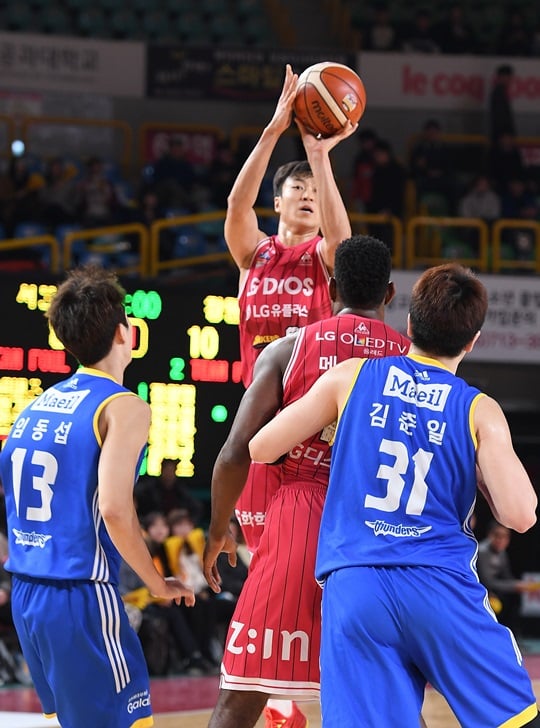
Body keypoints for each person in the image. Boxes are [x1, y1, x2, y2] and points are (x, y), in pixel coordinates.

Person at [249, 262, 540, 727]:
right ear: (472, 341)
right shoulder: (478, 409)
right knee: (516, 719)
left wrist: (335, 428)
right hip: (439, 586)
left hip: (356, 585)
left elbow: (261, 447)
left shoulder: (350, 377)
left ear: (408, 324)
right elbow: (520, 515)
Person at [203, 235, 413, 728]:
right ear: (388, 294)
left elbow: (235, 452)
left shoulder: (287, 349)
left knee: (245, 688)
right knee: (386, 703)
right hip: (379, 531)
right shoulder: (413, 359)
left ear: (331, 284)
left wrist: (218, 530)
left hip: (301, 517)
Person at [0, 265, 194, 728]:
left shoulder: (34, 407)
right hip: (80, 595)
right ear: (126, 332)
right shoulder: (123, 405)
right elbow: (113, 508)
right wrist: (154, 582)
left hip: (27, 594)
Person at [226, 63, 356, 728]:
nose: (306, 197)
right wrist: (277, 127)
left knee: (307, 580)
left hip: (312, 440)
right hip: (259, 435)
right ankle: (281, 705)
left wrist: (319, 157)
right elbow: (235, 208)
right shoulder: (254, 255)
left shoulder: (321, 263)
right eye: (297, 191)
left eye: (312, 193)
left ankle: (306, 700)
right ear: (280, 202)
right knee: (264, 577)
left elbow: (344, 237)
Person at [477, 520, 539, 636]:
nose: (501, 540)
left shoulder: (502, 553)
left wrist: (522, 584)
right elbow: (487, 582)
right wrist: (516, 585)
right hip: (479, 592)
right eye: (497, 536)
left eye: (505, 537)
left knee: (514, 600)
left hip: (496, 592)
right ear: (490, 535)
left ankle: (514, 636)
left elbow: (507, 577)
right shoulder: (482, 551)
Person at [489, 65, 516, 149]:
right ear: (502, 77)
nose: (510, 79)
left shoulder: (500, 91)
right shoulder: (499, 93)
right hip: (502, 138)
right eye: (509, 76)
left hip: (501, 136)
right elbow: (500, 116)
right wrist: (505, 134)